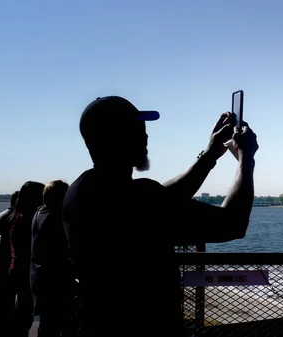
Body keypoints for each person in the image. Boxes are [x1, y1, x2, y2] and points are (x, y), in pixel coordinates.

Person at [63, 96, 258, 337]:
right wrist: (246, 159)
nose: (145, 137)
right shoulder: (137, 200)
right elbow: (232, 224)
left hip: (100, 322)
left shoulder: (81, 191)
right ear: (113, 138)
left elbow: (166, 197)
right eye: (136, 129)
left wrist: (210, 155)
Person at [31, 180, 74, 337]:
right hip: (57, 278)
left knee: (47, 324)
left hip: (39, 276)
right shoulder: (58, 216)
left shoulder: (38, 214)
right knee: (63, 322)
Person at [9, 181, 45, 337]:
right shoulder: (31, 220)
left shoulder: (17, 218)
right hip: (26, 272)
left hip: (17, 269)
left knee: (22, 314)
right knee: (25, 315)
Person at [0, 190, 19, 337]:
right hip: (13, 259)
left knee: (2, 301)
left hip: (2, 259)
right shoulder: (16, 218)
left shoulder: (0, 216)